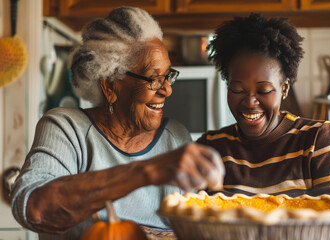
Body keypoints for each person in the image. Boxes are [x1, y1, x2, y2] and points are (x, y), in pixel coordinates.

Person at [11, 7, 224, 240]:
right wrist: (147, 171)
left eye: (168, 76)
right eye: (154, 79)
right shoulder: (67, 128)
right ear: (110, 86)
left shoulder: (175, 136)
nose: (168, 89)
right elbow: (34, 210)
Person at [197, 13, 330, 198]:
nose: (250, 102)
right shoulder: (211, 149)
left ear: (284, 88)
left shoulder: (317, 141)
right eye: (238, 90)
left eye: (263, 90)